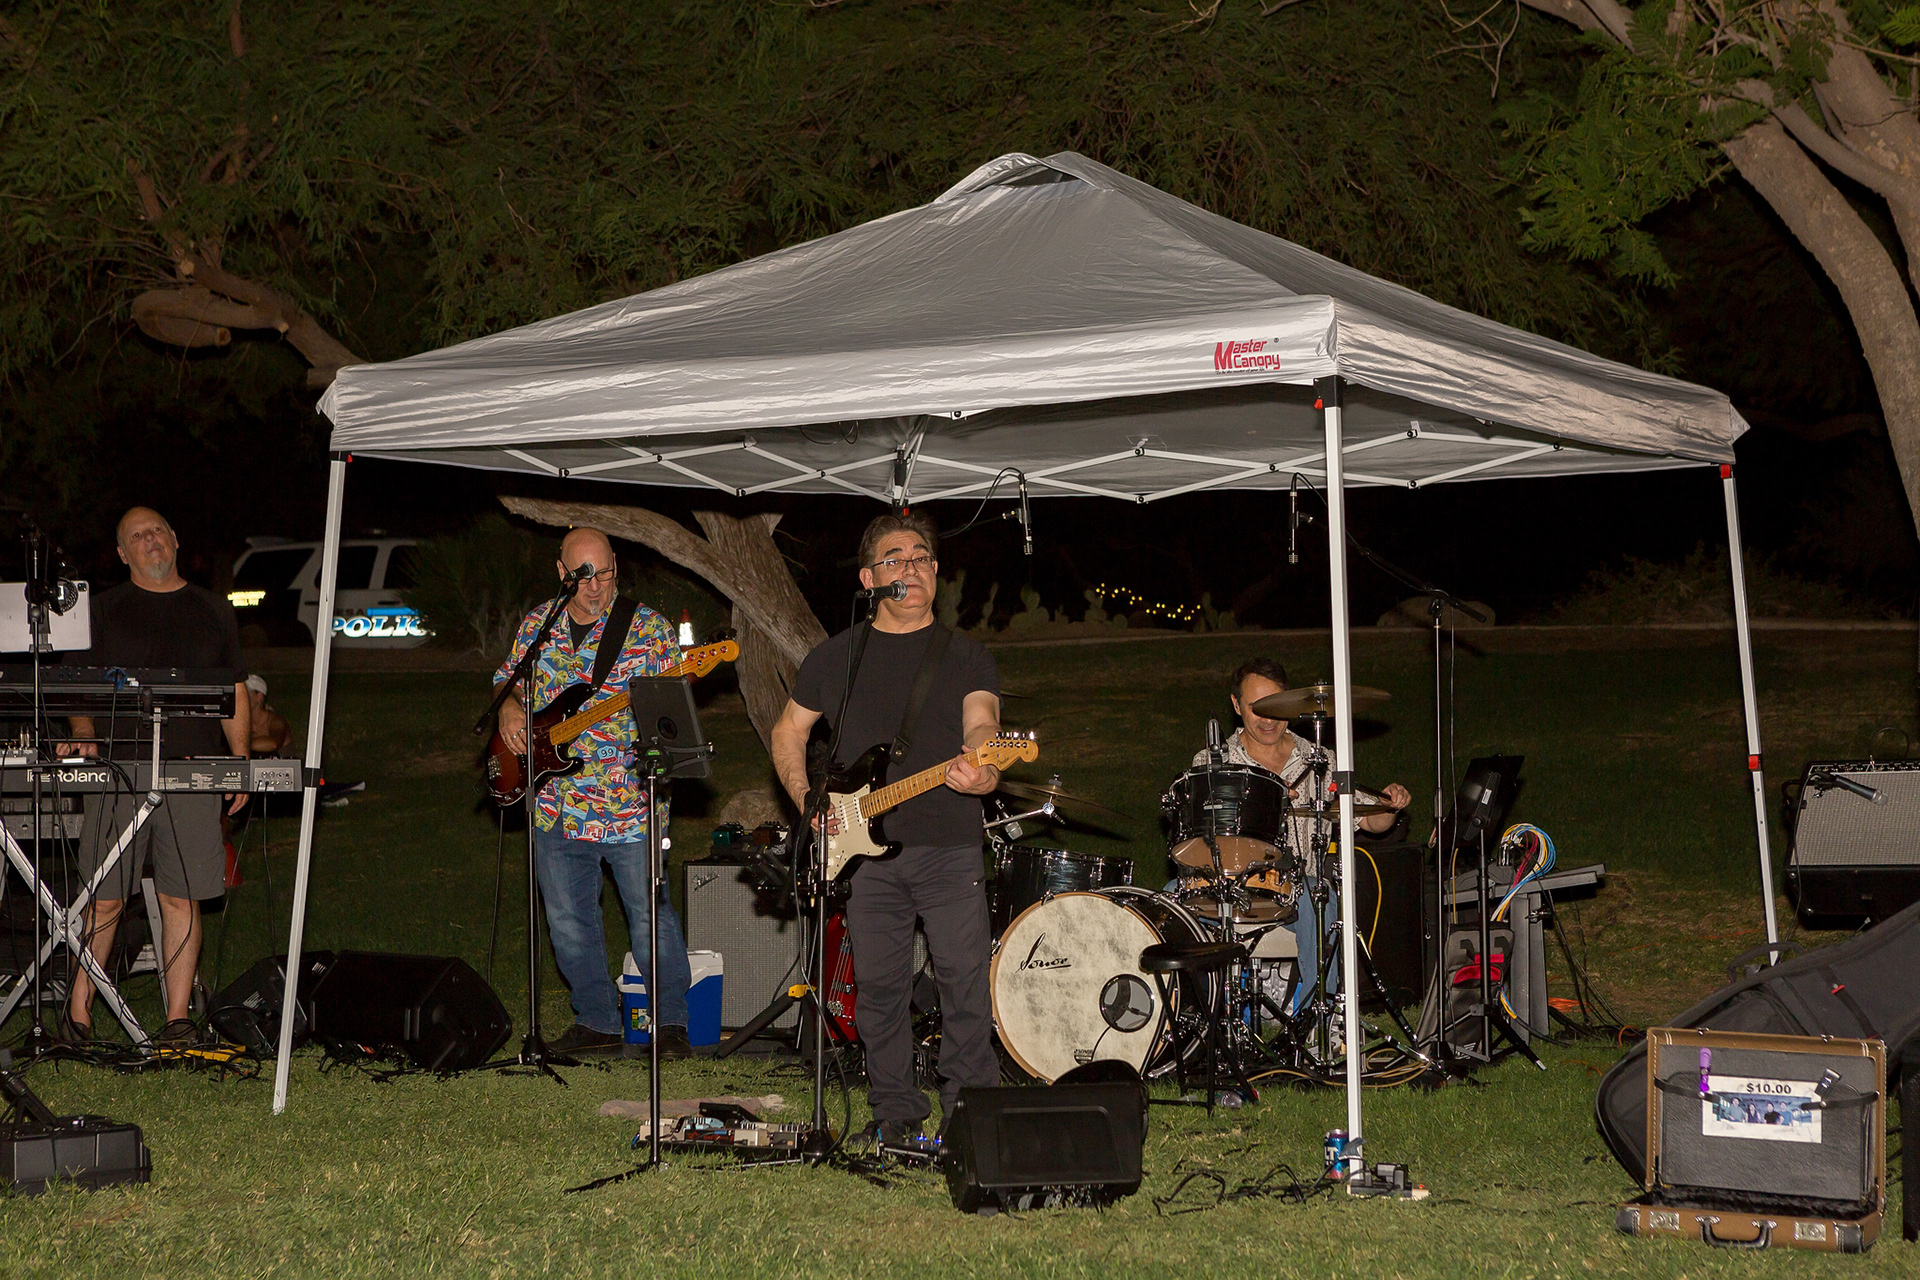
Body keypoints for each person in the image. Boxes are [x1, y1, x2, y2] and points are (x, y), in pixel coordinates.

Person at [769, 512, 1002, 1145]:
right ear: (869, 579)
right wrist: (806, 800)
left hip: (949, 845)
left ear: (936, 572)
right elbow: (788, 730)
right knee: (878, 988)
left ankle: (969, 1109)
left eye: (921, 557)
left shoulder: (965, 655)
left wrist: (983, 767)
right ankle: (895, 1110)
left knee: (963, 983)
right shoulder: (835, 656)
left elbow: (982, 723)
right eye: (895, 559)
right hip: (862, 852)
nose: (911, 568)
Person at [493, 527, 693, 1059]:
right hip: (555, 802)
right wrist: (509, 706)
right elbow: (508, 681)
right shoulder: (538, 624)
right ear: (562, 573)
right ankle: (598, 1021)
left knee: (649, 914)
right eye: (583, 576)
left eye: (603, 573)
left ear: (615, 568)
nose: (595, 586)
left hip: (629, 801)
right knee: (567, 920)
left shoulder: (648, 629)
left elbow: (673, 716)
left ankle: (671, 1021)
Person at [61, 507, 251, 1048]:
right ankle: (77, 1015)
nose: (150, 541)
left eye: (158, 531)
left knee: (180, 896)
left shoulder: (214, 609)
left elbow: (234, 689)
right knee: (104, 898)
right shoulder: (102, 611)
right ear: (123, 553)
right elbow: (78, 687)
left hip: (192, 771)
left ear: (175, 539)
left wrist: (239, 760)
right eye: (137, 536)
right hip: (119, 771)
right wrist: (84, 733)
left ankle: (177, 1020)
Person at [1187, 658, 1411, 1012]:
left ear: (1289, 703)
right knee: (1173, 898)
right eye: (1256, 708)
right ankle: (1203, 1017)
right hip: (1229, 884)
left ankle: (1318, 1018)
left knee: (1320, 899)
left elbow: (1370, 821)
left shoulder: (1318, 759)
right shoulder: (1213, 762)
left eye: (1274, 707)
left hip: (1296, 889)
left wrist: (1390, 805)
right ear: (1236, 705)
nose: (1267, 719)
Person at [244, 675, 291, 756]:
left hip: (280, 763)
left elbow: (273, 744)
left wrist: (241, 745)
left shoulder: (276, 721)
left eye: (245, 693)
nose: (239, 698)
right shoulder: (240, 722)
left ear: (259, 696)